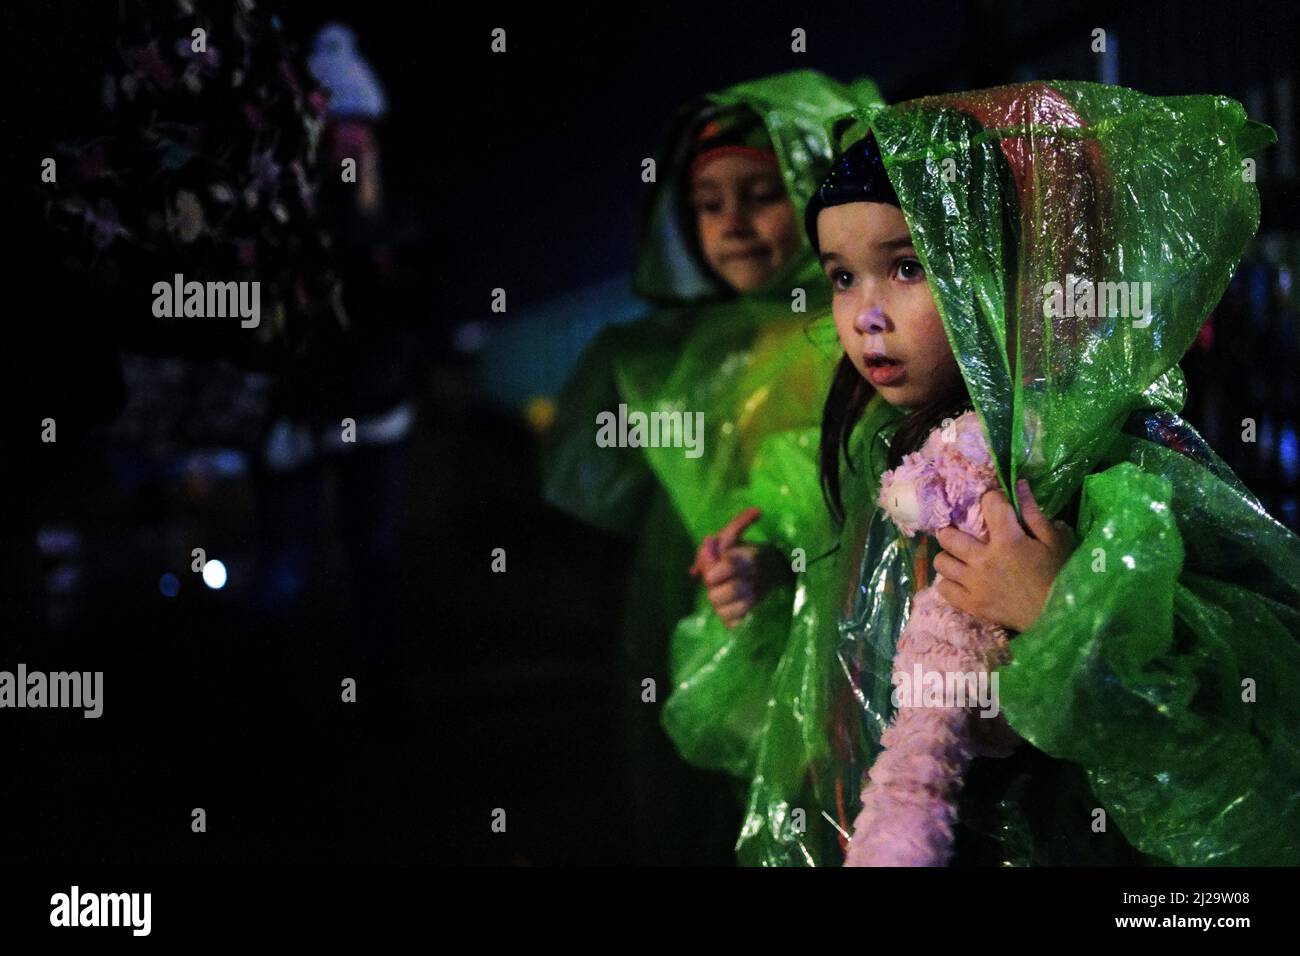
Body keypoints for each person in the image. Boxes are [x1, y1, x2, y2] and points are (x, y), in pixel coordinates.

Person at [680, 80, 1300, 865]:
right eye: (842, 277)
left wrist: (1060, 607)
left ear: (1021, 270)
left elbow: (1237, 748)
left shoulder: (1108, 462)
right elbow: (842, 668)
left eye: (907, 267)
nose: (866, 313)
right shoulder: (883, 453)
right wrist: (777, 588)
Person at [541, 70, 883, 864]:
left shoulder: (865, 339)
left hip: (819, 627)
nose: (732, 223)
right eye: (708, 202)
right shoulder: (673, 354)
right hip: (687, 603)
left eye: (762, 191)